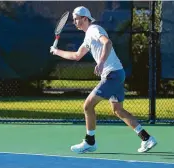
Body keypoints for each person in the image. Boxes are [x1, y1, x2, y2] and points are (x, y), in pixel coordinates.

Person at [50, 6, 157, 154]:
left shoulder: (94, 29)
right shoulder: (88, 36)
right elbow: (76, 56)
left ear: (85, 19)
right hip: (118, 73)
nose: (74, 22)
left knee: (88, 106)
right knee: (118, 110)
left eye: (76, 19)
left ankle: (90, 141)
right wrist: (56, 51)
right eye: (74, 19)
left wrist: (100, 62)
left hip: (112, 74)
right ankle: (146, 138)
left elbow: (108, 43)